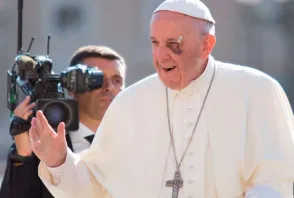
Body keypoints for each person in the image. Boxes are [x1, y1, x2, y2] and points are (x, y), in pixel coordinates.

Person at [29, 0, 294, 197]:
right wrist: (60, 161)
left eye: (174, 44)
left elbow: (277, 182)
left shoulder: (257, 92)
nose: (161, 55)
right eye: (155, 43)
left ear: (207, 45)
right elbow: (98, 188)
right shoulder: (129, 103)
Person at [0, 45, 126, 198]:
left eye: (117, 80)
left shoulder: (136, 144)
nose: (109, 87)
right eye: (97, 79)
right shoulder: (42, 147)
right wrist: (23, 157)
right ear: (72, 87)